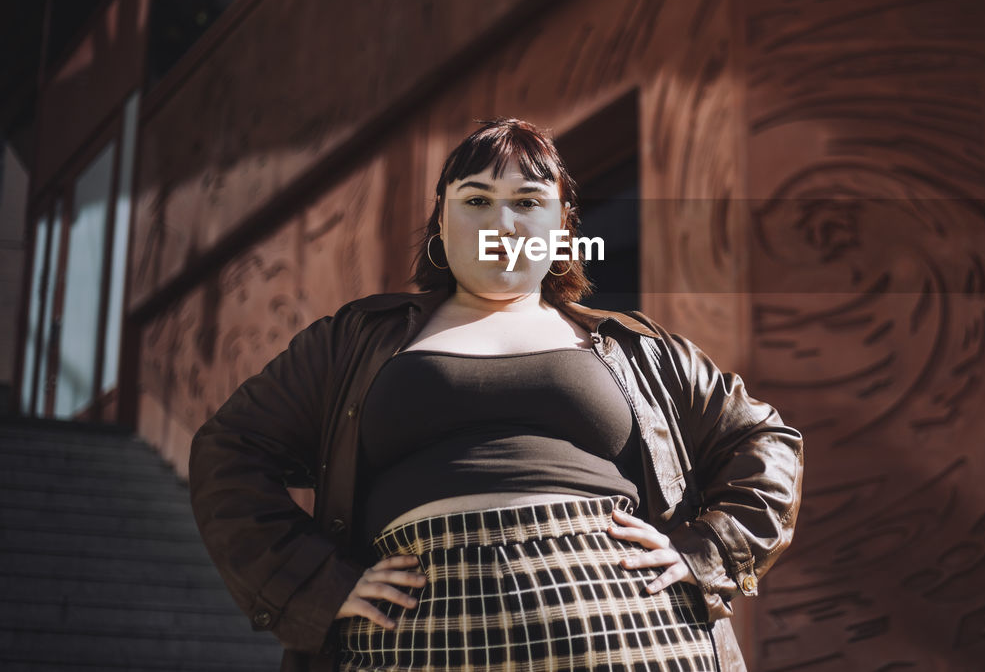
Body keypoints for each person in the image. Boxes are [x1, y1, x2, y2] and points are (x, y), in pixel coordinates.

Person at [189, 117, 803, 672]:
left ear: (562, 225)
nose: (501, 223)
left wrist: (708, 550)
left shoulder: (637, 347)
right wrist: (317, 583)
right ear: (441, 222)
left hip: (632, 633)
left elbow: (765, 439)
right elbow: (230, 450)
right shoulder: (354, 340)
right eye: (476, 199)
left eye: (527, 201)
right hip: (415, 640)